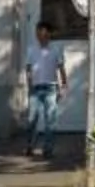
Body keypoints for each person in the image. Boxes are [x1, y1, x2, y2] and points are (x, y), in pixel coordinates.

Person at [24, 23, 69, 159]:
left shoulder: (56, 50)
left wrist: (64, 85)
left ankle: (48, 149)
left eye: (42, 33)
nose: (40, 36)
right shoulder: (31, 50)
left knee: (50, 120)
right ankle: (30, 146)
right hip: (35, 89)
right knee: (32, 119)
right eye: (37, 33)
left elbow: (61, 68)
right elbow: (28, 69)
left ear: (48, 34)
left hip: (51, 88)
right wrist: (29, 86)